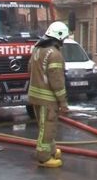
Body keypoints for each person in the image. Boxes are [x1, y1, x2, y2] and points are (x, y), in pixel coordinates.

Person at [28, 21, 70, 167]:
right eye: (64, 38)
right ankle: (44, 157)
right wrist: (63, 102)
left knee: (44, 126)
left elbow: (30, 70)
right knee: (48, 127)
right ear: (59, 37)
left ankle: (51, 150)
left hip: (35, 95)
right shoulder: (55, 54)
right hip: (48, 99)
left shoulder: (37, 50)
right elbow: (57, 81)